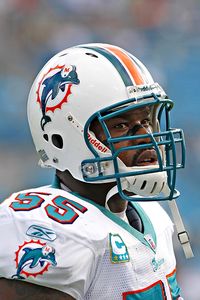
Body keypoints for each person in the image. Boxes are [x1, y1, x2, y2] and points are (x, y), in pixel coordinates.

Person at [0, 43, 189, 299]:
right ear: (61, 138)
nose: (147, 137)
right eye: (122, 125)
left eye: (146, 121)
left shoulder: (153, 215)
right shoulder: (50, 231)